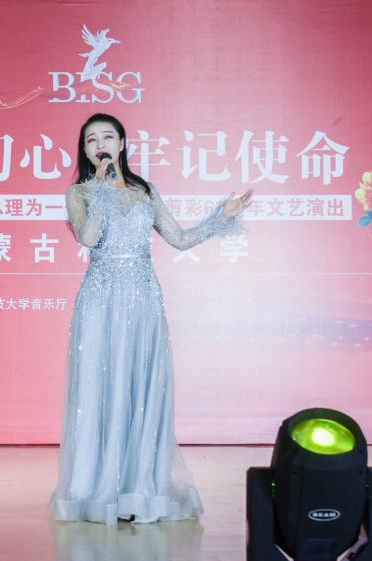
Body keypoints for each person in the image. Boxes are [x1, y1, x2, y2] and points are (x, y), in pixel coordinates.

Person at [49, 113, 252, 525]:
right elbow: (88, 238)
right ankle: (96, 490)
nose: (100, 144)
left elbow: (180, 239)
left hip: (143, 300)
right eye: (91, 140)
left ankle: (139, 486)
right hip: (101, 300)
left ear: (122, 144)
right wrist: (101, 192)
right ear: (85, 150)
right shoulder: (79, 193)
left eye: (108, 137)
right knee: (100, 387)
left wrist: (222, 216)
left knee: (142, 386)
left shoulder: (145, 191)